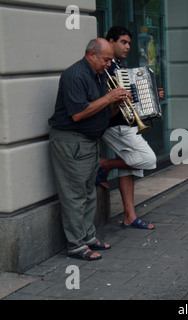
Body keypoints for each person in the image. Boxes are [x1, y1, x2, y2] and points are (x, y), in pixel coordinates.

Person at [48, 38, 131, 260]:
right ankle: (76, 245)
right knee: (74, 196)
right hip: (72, 141)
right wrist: (109, 97)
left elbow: (103, 112)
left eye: (110, 60)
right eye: (105, 59)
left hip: (89, 142)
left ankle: (88, 237)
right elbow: (79, 113)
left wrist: (116, 104)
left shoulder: (100, 75)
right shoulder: (74, 75)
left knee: (89, 193)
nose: (108, 64)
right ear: (91, 54)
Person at [97, 26, 164, 230]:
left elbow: (132, 99)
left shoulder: (120, 66)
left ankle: (129, 216)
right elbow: (106, 102)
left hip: (127, 124)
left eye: (129, 43)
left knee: (130, 169)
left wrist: (153, 95)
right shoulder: (105, 68)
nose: (127, 47)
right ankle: (105, 164)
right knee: (147, 159)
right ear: (111, 41)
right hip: (115, 126)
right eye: (123, 42)